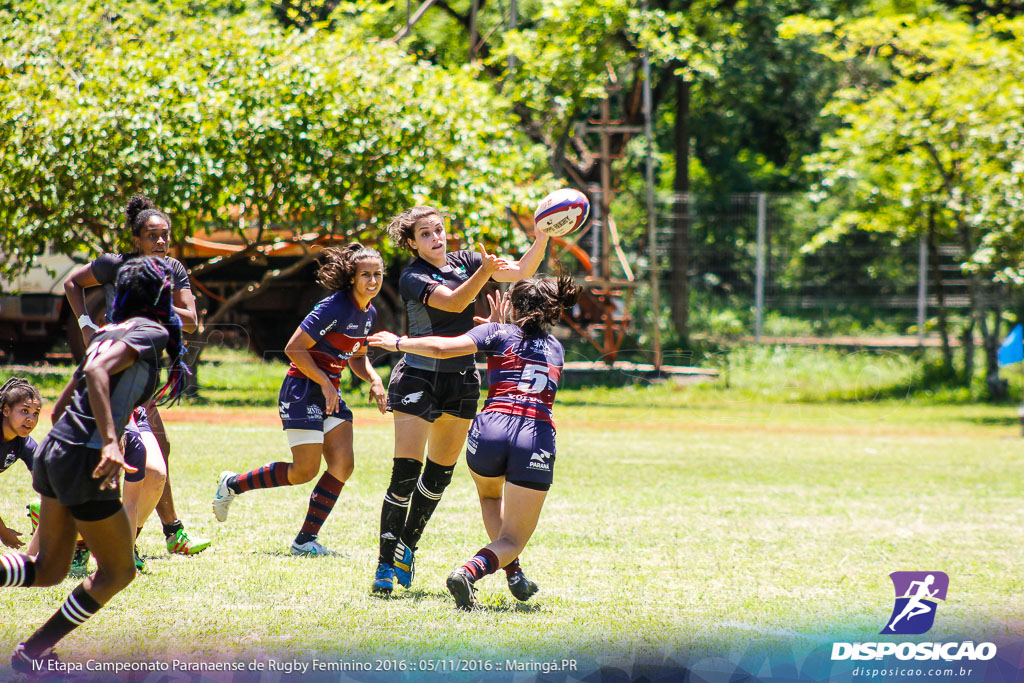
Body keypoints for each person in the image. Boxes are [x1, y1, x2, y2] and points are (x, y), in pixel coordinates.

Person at [1, 257, 190, 672]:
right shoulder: (151, 330)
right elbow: (100, 374)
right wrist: (108, 440)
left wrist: (81, 440)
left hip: (58, 450)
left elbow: (69, 396)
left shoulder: (108, 332)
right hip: (83, 458)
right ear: (158, 298)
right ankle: (31, 653)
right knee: (119, 570)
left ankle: (31, 655)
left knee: (48, 569)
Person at [369, 274, 579, 609]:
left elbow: (442, 348)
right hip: (533, 435)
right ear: (552, 310)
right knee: (514, 538)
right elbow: (527, 357)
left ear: (512, 305)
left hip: (489, 431)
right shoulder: (556, 347)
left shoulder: (496, 332)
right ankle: (468, 572)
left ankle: (513, 572)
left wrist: (397, 343)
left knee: (490, 495)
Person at [371, 206, 549, 595]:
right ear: (411, 243)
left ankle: (407, 547)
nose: (436, 238)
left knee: (437, 477)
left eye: (438, 230)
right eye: (425, 234)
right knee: (404, 475)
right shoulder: (411, 276)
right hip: (418, 376)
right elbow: (452, 302)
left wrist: (543, 235)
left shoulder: (467, 260)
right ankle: (384, 564)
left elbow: (519, 272)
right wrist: (483, 273)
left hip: (462, 380)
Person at [211, 244, 387, 556]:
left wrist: (373, 379)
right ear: (352, 278)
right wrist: (324, 382)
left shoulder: (369, 312)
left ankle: (305, 541)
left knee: (343, 464)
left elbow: (358, 356)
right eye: (366, 275)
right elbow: (294, 349)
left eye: (378, 274)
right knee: (304, 471)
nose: (372, 280)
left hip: (329, 391)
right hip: (303, 389)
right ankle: (233, 484)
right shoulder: (334, 307)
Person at [63, 194, 209, 557]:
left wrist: (158, 300)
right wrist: (85, 325)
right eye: (152, 236)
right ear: (136, 240)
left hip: (143, 375)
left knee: (155, 456)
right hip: (114, 373)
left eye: (166, 235)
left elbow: (191, 321)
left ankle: (137, 536)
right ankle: (90, 535)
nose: (161, 242)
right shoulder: (115, 265)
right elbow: (72, 283)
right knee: (123, 457)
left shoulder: (173, 269)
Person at [1, 378, 43, 556]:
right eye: (24, 411)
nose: (31, 419)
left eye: (36, 413)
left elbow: (49, 489)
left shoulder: (25, 444)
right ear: (6, 410)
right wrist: (3, 532)